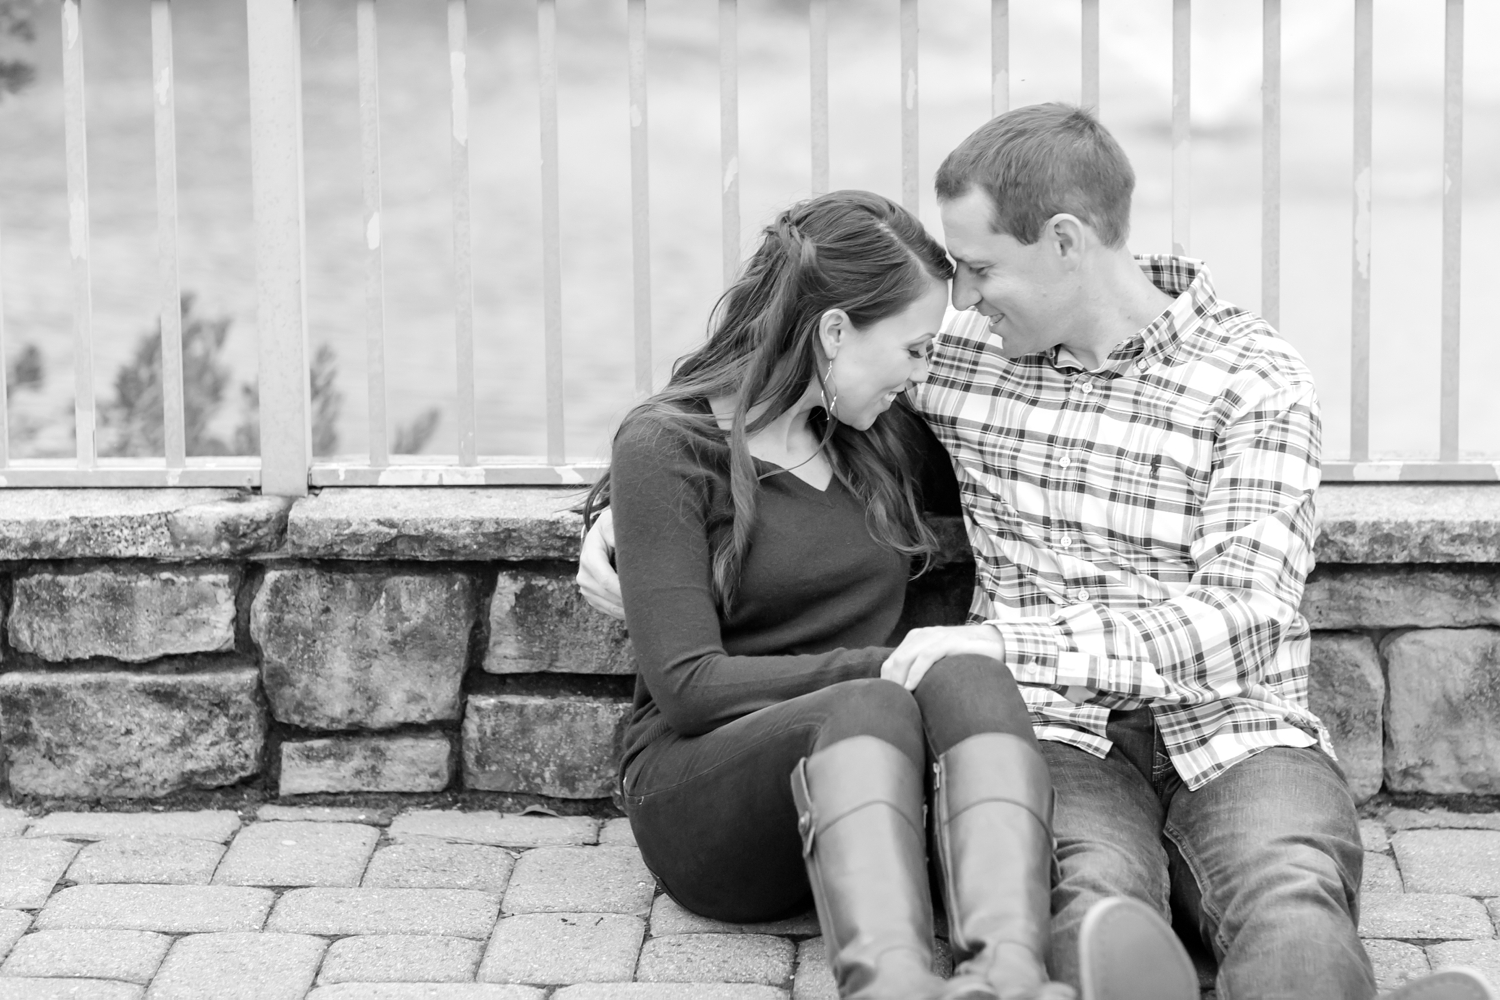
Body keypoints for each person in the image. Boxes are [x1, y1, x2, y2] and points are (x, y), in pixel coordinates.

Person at [578, 105, 1495, 1000]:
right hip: (1057, 733)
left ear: (1064, 242)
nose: (963, 298)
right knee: (1090, 906)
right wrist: (613, 514)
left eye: (978, 267)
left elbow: (1245, 620)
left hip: (1235, 728)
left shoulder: (1254, 382)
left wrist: (1010, 648)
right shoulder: (960, 359)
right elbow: (767, 385)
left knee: (1289, 896)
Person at [583, 188, 1178, 1000]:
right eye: (912, 349)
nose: (921, 371)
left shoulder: (876, 434)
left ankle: (1004, 976)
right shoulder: (667, 446)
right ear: (834, 331)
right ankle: (892, 987)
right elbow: (687, 689)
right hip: (705, 796)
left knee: (968, 665)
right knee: (879, 698)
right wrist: (891, 664)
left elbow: (1040, 468)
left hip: (865, 803)